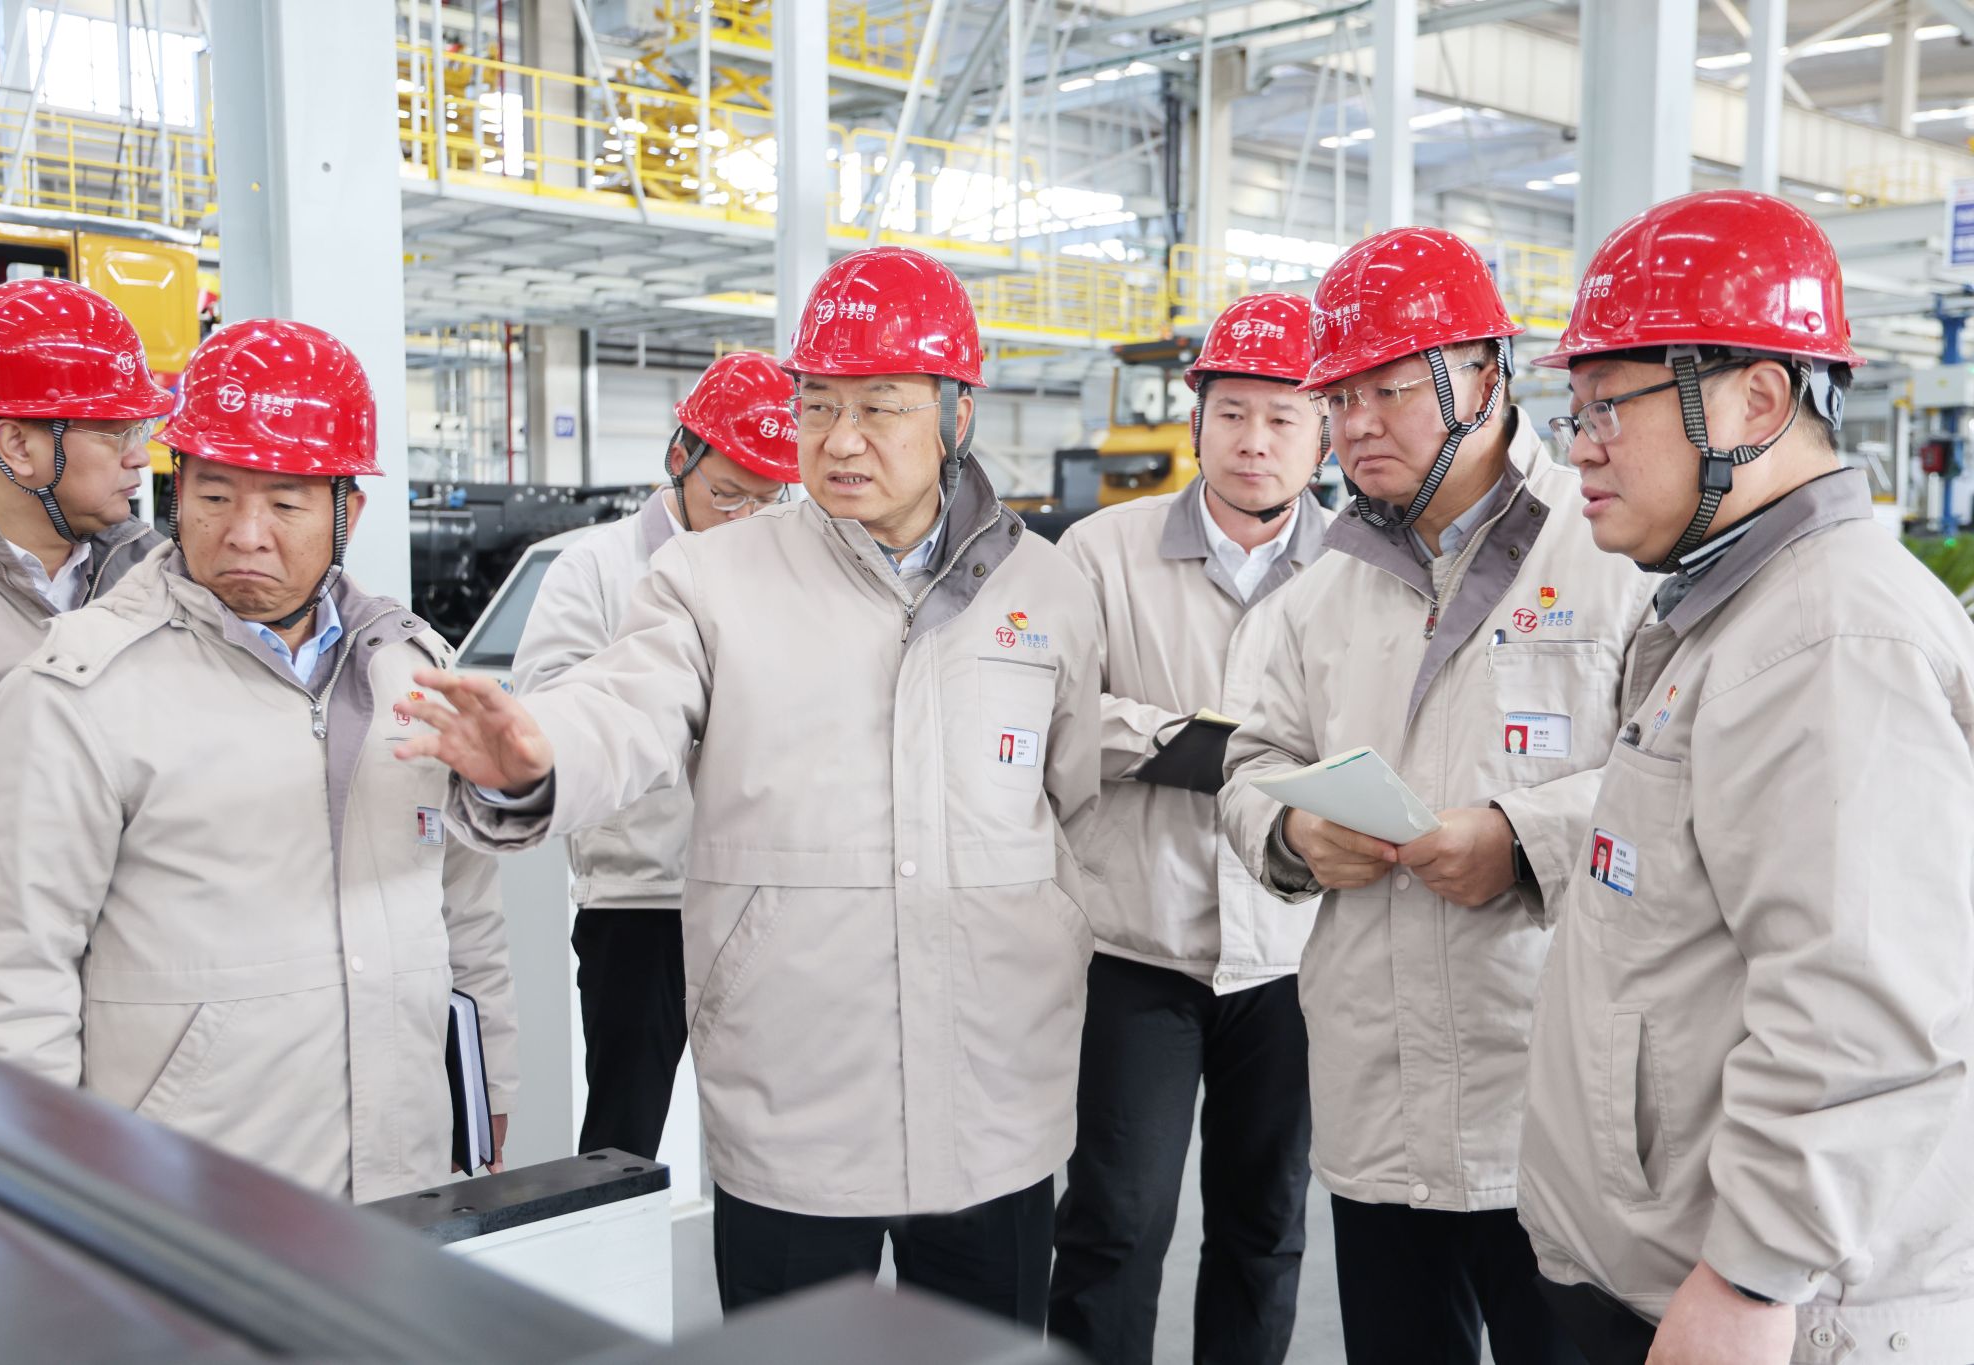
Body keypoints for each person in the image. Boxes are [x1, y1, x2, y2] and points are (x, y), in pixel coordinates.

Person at [396, 245, 1101, 1328]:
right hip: (794, 1098)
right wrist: (542, 754)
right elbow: (624, 702)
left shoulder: (1045, 588)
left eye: (880, 406)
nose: (841, 439)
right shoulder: (710, 578)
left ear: (957, 414)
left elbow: (1076, 801)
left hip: (991, 1098)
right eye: (818, 405)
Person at [1519, 189, 1974, 1365]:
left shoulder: (1827, 642)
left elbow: (1859, 1008)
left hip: (1760, 1308)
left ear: (1753, 403)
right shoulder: (1740, 612)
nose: (1578, 447)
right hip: (1666, 1270)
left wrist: (1751, 1275)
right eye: (1572, 411)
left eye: (1606, 407)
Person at [0, 319, 520, 1202]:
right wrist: (33, 1204)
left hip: (402, 1178)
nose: (246, 534)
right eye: (214, 495)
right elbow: (10, 982)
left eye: (285, 504)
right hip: (185, 1207)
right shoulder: (79, 691)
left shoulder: (412, 672)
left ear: (348, 511)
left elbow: (464, 910)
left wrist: (487, 1088)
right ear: (176, 493)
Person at [1217, 227, 1651, 1365]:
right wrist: (1290, 830)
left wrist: (1523, 837)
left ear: (1484, 374)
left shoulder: (1611, 556)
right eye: (1338, 397)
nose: (1355, 423)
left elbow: (1689, 774)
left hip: (1554, 1097)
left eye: (1389, 389)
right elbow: (1249, 761)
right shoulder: (1323, 592)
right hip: (1380, 1095)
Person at [1046, 292, 1331, 1364]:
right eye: (1233, 413)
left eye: (1283, 417)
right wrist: (1203, 748)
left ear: (1323, 430)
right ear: (1196, 416)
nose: (1255, 440)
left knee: (1265, 1224)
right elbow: (1057, 709)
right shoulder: (1099, 553)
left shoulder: (1358, 569)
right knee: (1115, 1221)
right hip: (1139, 945)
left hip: (1292, 955)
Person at [512, 350, 797, 1160]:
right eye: (727, 494)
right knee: (625, 1129)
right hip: (640, 899)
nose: (743, 519)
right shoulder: (595, 568)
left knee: (772, 1128)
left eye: (767, 500)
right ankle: (608, 1246)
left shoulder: (788, 571)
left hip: (759, 895)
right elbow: (548, 708)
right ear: (680, 457)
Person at [0, 278, 172, 1027]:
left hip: (134, 1012)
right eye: (115, 434)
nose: (141, 458)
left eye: (140, 430)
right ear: (18, 445)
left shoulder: (158, 575)